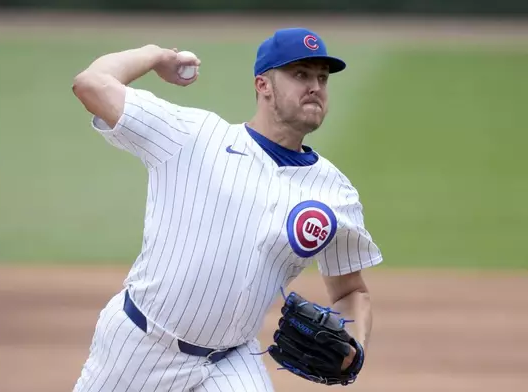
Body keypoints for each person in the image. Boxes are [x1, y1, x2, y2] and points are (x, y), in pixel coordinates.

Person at [71, 27, 383, 392]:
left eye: (322, 77)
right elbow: (91, 83)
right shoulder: (192, 135)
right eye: (300, 74)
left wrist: (355, 346)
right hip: (140, 346)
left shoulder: (336, 193)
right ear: (263, 85)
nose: (315, 86)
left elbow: (351, 292)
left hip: (231, 361)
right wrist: (156, 55)